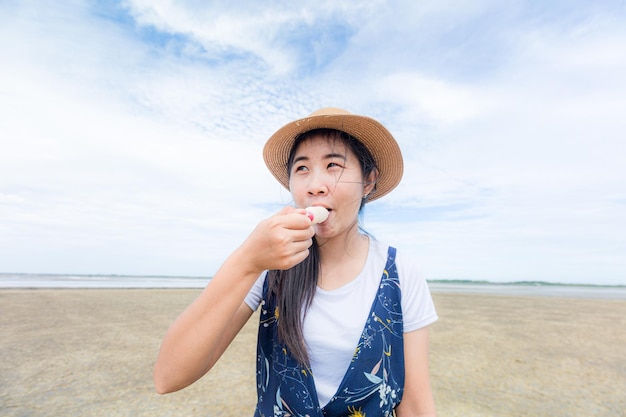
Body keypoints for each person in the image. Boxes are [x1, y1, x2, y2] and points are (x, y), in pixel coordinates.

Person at [154, 107, 438, 416]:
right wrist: (247, 260)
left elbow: (414, 403)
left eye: (334, 165)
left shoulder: (400, 271)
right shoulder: (267, 266)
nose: (315, 185)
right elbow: (169, 376)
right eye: (302, 168)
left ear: (367, 182)